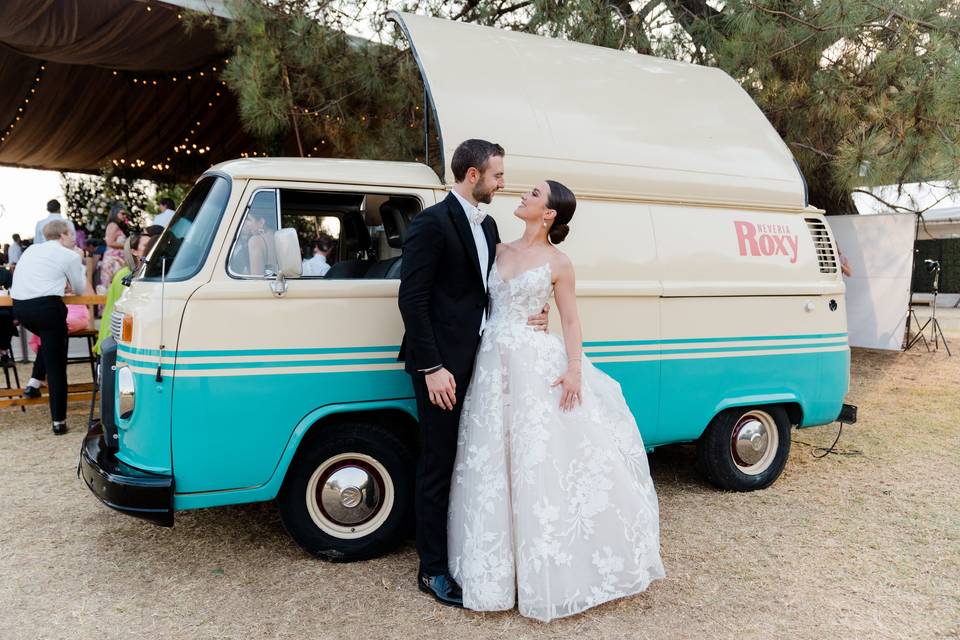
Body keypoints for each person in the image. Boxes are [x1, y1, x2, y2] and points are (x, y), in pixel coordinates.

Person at [448, 180, 664, 622]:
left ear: (549, 214)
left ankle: (549, 568)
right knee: (492, 459)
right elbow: (481, 301)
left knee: (538, 459)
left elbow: (570, 318)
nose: (523, 196)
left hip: (533, 362)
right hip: (491, 363)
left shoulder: (559, 262)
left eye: (533, 194)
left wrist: (574, 370)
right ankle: (494, 571)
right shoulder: (497, 246)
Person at [397, 139, 548, 608]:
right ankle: (433, 570)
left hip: (482, 363)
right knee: (438, 462)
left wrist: (530, 318)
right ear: (472, 176)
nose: (504, 184)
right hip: (441, 368)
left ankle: (466, 552)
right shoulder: (431, 223)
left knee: (473, 461)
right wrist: (432, 367)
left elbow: (492, 292)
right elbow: (412, 300)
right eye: (498, 175)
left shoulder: (490, 227)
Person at [11, 219, 87, 435]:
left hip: (22, 309)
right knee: (56, 367)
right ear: (63, 235)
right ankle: (58, 422)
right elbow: (80, 289)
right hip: (47, 308)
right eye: (72, 234)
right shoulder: (69, 255)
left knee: (49, 342)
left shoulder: (32, 250)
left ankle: (34, 382)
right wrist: (79, 261)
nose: (74, 238)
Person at [94, 233, 153, 354]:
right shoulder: (125, 276)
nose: (151, 249)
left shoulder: (137, 274)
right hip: (114, 338)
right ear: (134, 251)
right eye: (146, 245)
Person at [100, 203, 130, 289]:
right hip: (112, 260)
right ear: (115, 213)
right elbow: (109, 243)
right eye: (122, 213)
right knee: (111, 285)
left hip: (116, 259)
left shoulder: (117, 225)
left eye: (125, 214)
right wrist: (127, 245)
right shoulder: (113, 225)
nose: (124, 216)